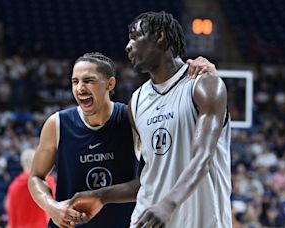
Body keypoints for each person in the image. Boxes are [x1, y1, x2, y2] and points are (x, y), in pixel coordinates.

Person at [69, 11, 231, 228]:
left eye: (135, 37)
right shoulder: (136, 103)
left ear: (161, 37)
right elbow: (151, 177)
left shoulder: (203, 85)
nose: (128, 46)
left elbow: (203, 157)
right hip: (148, 220)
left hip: (201, 221)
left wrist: (168, 204)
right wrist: (101, 196)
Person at [28, 52, 217, 228]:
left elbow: (164, 162)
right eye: (75, 81)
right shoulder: (57, 123)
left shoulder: (132, 117)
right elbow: (36, 177)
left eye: (88, 80)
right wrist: (52, 207)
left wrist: (197, 74)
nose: (80, 88)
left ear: (110, 84)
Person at [6, 148, 56, 228]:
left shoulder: (13, 186)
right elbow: (55, 207)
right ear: (37, 161)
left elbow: (12, 215)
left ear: (22, 164)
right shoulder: (47, 181)